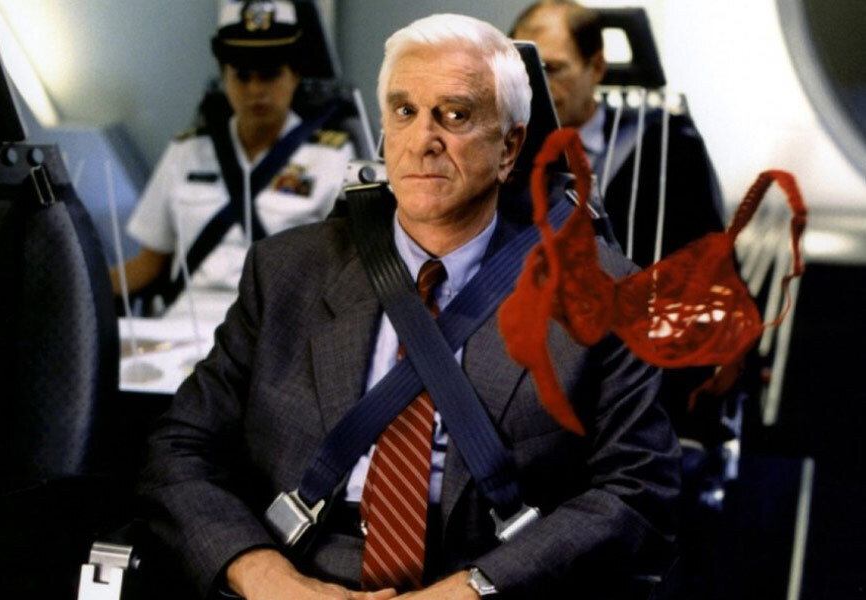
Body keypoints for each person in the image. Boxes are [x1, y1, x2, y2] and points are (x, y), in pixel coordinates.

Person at [138, 13, 680, 600]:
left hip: (487, 577)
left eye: (456, 115)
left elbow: (638, 490)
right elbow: (177, 449)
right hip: (298, 573)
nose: (423, 139)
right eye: (404, 111)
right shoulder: (286, 273)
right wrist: (264, 576)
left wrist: (475, 588)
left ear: (509, 147)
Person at [113, 0, 355, 320]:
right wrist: (73, 292)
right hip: (186, 324)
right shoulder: (186, 152)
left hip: (280, 324)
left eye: (270, 75)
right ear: (224, 78)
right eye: (242, 76)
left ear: (295, 75)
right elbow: (148, 265)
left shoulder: (331, 158)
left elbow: (348, 271)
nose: (256, 90)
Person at [511, 0, 724, 269]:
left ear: (597, 68)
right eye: (527, 71)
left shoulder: (666, 145)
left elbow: (707, 261)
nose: (536, 85)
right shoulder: (508, 151)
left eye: (553, 69)